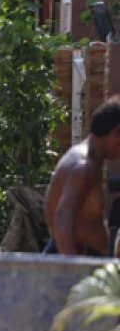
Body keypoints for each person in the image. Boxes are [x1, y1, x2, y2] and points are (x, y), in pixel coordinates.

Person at [44, 96, 120, 256]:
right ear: (117, 132)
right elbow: (62, 218)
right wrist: (74, 270)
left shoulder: (91, 162)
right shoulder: (83, 167)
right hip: (72, 265)